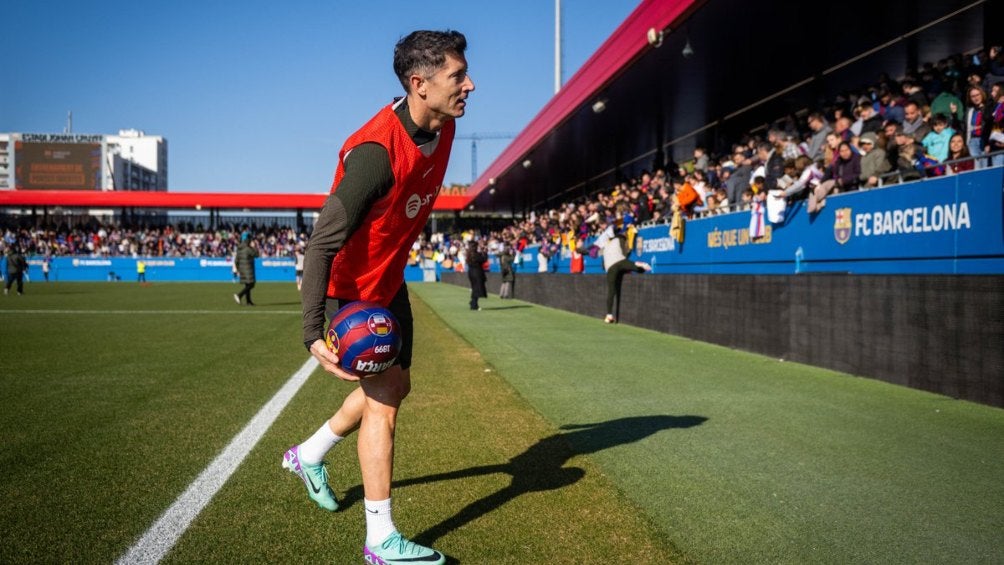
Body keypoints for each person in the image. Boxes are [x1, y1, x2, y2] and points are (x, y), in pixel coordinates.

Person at [284, 30, 472, 565]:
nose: (469, 84)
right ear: (420, 84)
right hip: (352, 291)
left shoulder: (445, 121)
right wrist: (311, 332)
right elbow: (321, 241)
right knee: (384, 402)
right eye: (457, 76)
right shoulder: (374, 153)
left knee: (396, 387)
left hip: (390, 280)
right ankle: (380, 538)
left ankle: (309, 453)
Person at [596, 222, 650, 324]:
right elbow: (625, 253)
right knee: (634, 267)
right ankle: (639, 266)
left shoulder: (607, 244)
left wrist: (606, 266)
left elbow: (603, 263)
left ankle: (609, 315)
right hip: (620, 261)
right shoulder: (620, 239)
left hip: (610, 267)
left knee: (611, 291)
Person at [233, 235, 257, 305]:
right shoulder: (248, 248)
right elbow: (256, 254)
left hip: (242, 269)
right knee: (251, 284)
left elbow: (236, 260)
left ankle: (248, 301)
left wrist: (238, 269)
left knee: (247, 285)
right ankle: (239, 295)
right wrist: (253, 247)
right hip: (248, 269)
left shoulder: (239, 249)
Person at [466, 240, 487, 310]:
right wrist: (485, 252)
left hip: (471, 272)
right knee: (477, 289)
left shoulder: (469, 254)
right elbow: (483, 259)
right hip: (477, 273)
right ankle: (474, 304)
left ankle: (473, 302)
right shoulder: (475, 254)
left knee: (475, 288)